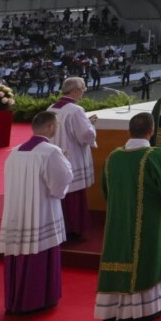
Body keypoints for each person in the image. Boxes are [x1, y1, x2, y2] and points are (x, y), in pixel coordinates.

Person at [95, 111, 161, 321]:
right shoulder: (155, 156)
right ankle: (143, 310)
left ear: (129, 131)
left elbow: (106, 191)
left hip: (118, 221)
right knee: (145, 257)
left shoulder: (113, 156)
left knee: (119, 254)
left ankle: (113, 309)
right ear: (151, 131)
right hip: (148, 222)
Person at [0, 113, 74, 315]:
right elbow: (59, 183)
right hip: (41, 212)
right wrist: (66, 162)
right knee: (40, 249)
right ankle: (39, 299)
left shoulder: (15, 152)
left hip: (16, 211)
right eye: (56, 125)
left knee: (19, 250)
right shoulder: (51, 151)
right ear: (49, 127)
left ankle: (16, 300)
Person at [44, 78, 98, 240]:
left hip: (54, 156)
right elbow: (86, 134)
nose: (84, 92)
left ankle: (60, 227)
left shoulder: (51, 107)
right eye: (83, 89)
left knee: (60, 190)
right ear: (75, 90)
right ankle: (74, 227)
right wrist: (91, 125)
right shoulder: (75, 110)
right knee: (73, 192)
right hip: (72, 157)